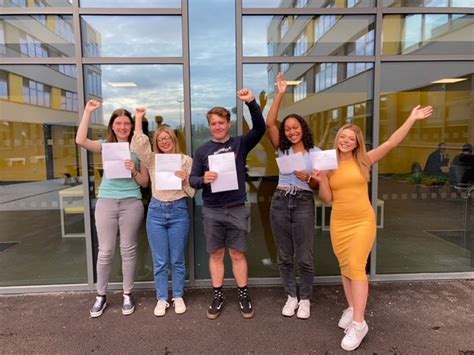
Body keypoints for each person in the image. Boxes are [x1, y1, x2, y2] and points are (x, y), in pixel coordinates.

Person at [311, 105, 433, 351]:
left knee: (356, 266)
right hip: (340, 222)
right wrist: (322, 179)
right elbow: (326, 199)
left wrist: (411, 117)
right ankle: (352, 307)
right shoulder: (327, 163)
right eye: (343, 137)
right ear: (338, 140)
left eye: (351, 139)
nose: (346, 141)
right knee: (345, 268)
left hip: (362, 221)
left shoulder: (364, 160)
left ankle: (359, 323)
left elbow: (391, 143)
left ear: (357, 144)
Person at [189, 88, 265, 320]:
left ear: (229, 124)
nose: (218, 127)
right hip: (212, 209)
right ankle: (218, 294)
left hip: (236, 208)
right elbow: (192, 180)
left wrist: (251, 102)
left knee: (238, 253)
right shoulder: (202, 151)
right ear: (209, 125)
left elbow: (260, 128)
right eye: (213, 123)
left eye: (221, 123)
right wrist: (204, 179)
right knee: (217, 254)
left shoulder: (240, 144)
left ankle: (243, 294)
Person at [75, 99, 149, 318]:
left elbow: (144, 182)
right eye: (119, 123)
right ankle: (101, 296)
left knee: (128, 249)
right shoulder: (105, 146)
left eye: (127, 123)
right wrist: (88, 111)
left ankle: (127, 294)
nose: (123, 127)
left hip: (131, 202)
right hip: (106, 200)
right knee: (105, 251)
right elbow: (80, 140)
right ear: (112, 126)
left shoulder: (139, 148)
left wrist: (134, 170)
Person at [131, 108, 195, 317]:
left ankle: (177, 295)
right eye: (160, 139)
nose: (164, 142)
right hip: (157, 211)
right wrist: (138, 118)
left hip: (178, 210)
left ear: (174, 140)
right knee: (159, 260)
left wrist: (185, 179)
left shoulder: (185, 160)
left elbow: (192, 192)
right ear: (157, 142)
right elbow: (139, 144)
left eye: (167, 138)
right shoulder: (152, 160)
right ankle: (161, 298)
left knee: (177, 259)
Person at [266, 72, 319, 319]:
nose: (291, 131)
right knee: (285, 256)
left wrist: (308, 178)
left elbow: (320, 185)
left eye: (295, 127)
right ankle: (291, 296)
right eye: (287, 129)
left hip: (303, 202)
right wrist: (280, 94)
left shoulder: (315, 152)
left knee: (305, 256)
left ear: (302, 128)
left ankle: (305, 299)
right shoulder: (281, 148)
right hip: (280, 201)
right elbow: (269, 123)